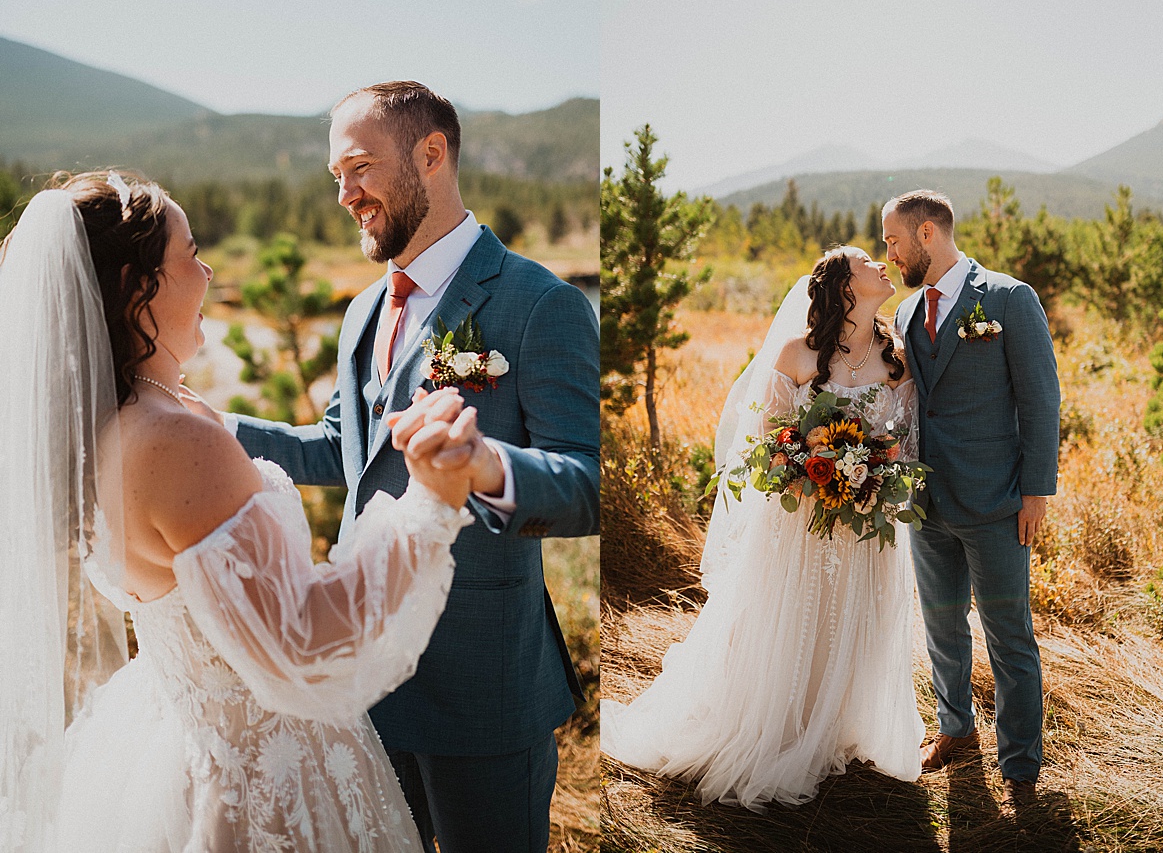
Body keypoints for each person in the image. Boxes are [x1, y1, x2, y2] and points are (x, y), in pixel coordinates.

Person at [0, 171, 481, 850]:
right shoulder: (176, 440)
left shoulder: (110, 423)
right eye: (190, 253)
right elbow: (305, 640)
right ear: (142, 286)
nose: (209, 268)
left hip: (174, 730)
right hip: (263, 778)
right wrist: (431, 503)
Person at [192, 82, 602, 853]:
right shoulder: (362, 311)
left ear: (432, 154)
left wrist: (485, 466)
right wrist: (214, 426)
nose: (345, 195)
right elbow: (341, 451)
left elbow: (585, 484)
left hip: (483, 682)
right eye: (334, 176)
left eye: (359, 169)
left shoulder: (540, 304)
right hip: (365, 677)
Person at [599, 247, 926, 809]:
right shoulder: (796, 353)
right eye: (867, 261)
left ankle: (833, 724)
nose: (881, 265)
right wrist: (812, 480)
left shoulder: (897, 359)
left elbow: (907, 449)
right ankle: (776, 727)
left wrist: (869, 480)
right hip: (797, 526)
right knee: (791, 618)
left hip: (864, 529)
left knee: (848, 620)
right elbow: (768, 446)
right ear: (846, 287)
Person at [884, 190, 1060, 803]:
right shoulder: (907, 315)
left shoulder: (1010, 300)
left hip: (996, 502)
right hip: (925, 504)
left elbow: (1041, 399)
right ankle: (956, 730)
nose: (890, 254)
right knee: (941, 627)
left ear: (926, 234)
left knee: (1009, 634)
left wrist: (1035, 490)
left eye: (893, 241)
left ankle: (1019, 760)